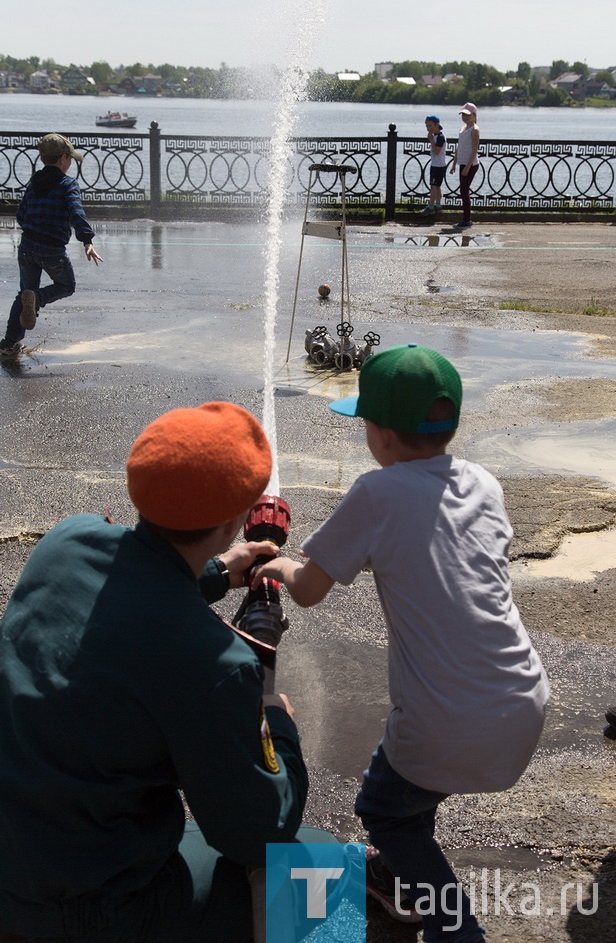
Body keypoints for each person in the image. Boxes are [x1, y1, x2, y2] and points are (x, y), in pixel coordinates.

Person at [251, 344, 550, 943]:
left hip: (446, 719)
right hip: (520, 700)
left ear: (381, 435)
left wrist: (276, 565)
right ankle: (397, 873)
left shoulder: (377, 493)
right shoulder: (483, 483)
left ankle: (452, 926)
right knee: (415, 787)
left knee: (384, 807)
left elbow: (309, 590)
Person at [0, 402, 310, 942]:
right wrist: (276, 722)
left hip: (21, 859)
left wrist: (215, 573)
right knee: (321, 874)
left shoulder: (65, 541)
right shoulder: (214, 663)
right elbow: (259, 831)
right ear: (236, 519)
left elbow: (125, 585)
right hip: (85, 911)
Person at [0, 133, 103, 357]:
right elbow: (77, 213)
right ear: (63, 159)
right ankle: (38, 299)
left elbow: (21, 215)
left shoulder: (35, 181)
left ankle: (9, 343)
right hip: (52, 249)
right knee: (66, 285)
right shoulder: (68, 185)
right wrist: (87, 240)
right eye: (70, 159)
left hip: (27, 245)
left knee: (24, 292)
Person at [449, 102, 480, 229]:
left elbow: (474, 150)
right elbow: (459, 147)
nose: (465, 117)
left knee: (464, 190)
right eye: (463, 115)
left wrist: (468, 166)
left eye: (468, 115)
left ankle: (467, 220)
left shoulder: (475, 130)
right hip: (462, 163)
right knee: (463, 191)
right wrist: (454, 163)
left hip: (471, 164)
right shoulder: (462, 129)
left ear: (474, 115)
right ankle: (466, 219)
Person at [421, 115, 448, 215]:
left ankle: (431, 206)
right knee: (436, 186)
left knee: (433, 186)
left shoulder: (440, 137)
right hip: (436, 164)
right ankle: (438, 205)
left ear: (437, 125)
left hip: (439, 165)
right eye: (427, 126)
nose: (428, 128)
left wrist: (431, 140)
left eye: (430, 125)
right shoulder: (436, 136)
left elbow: (437, 151)